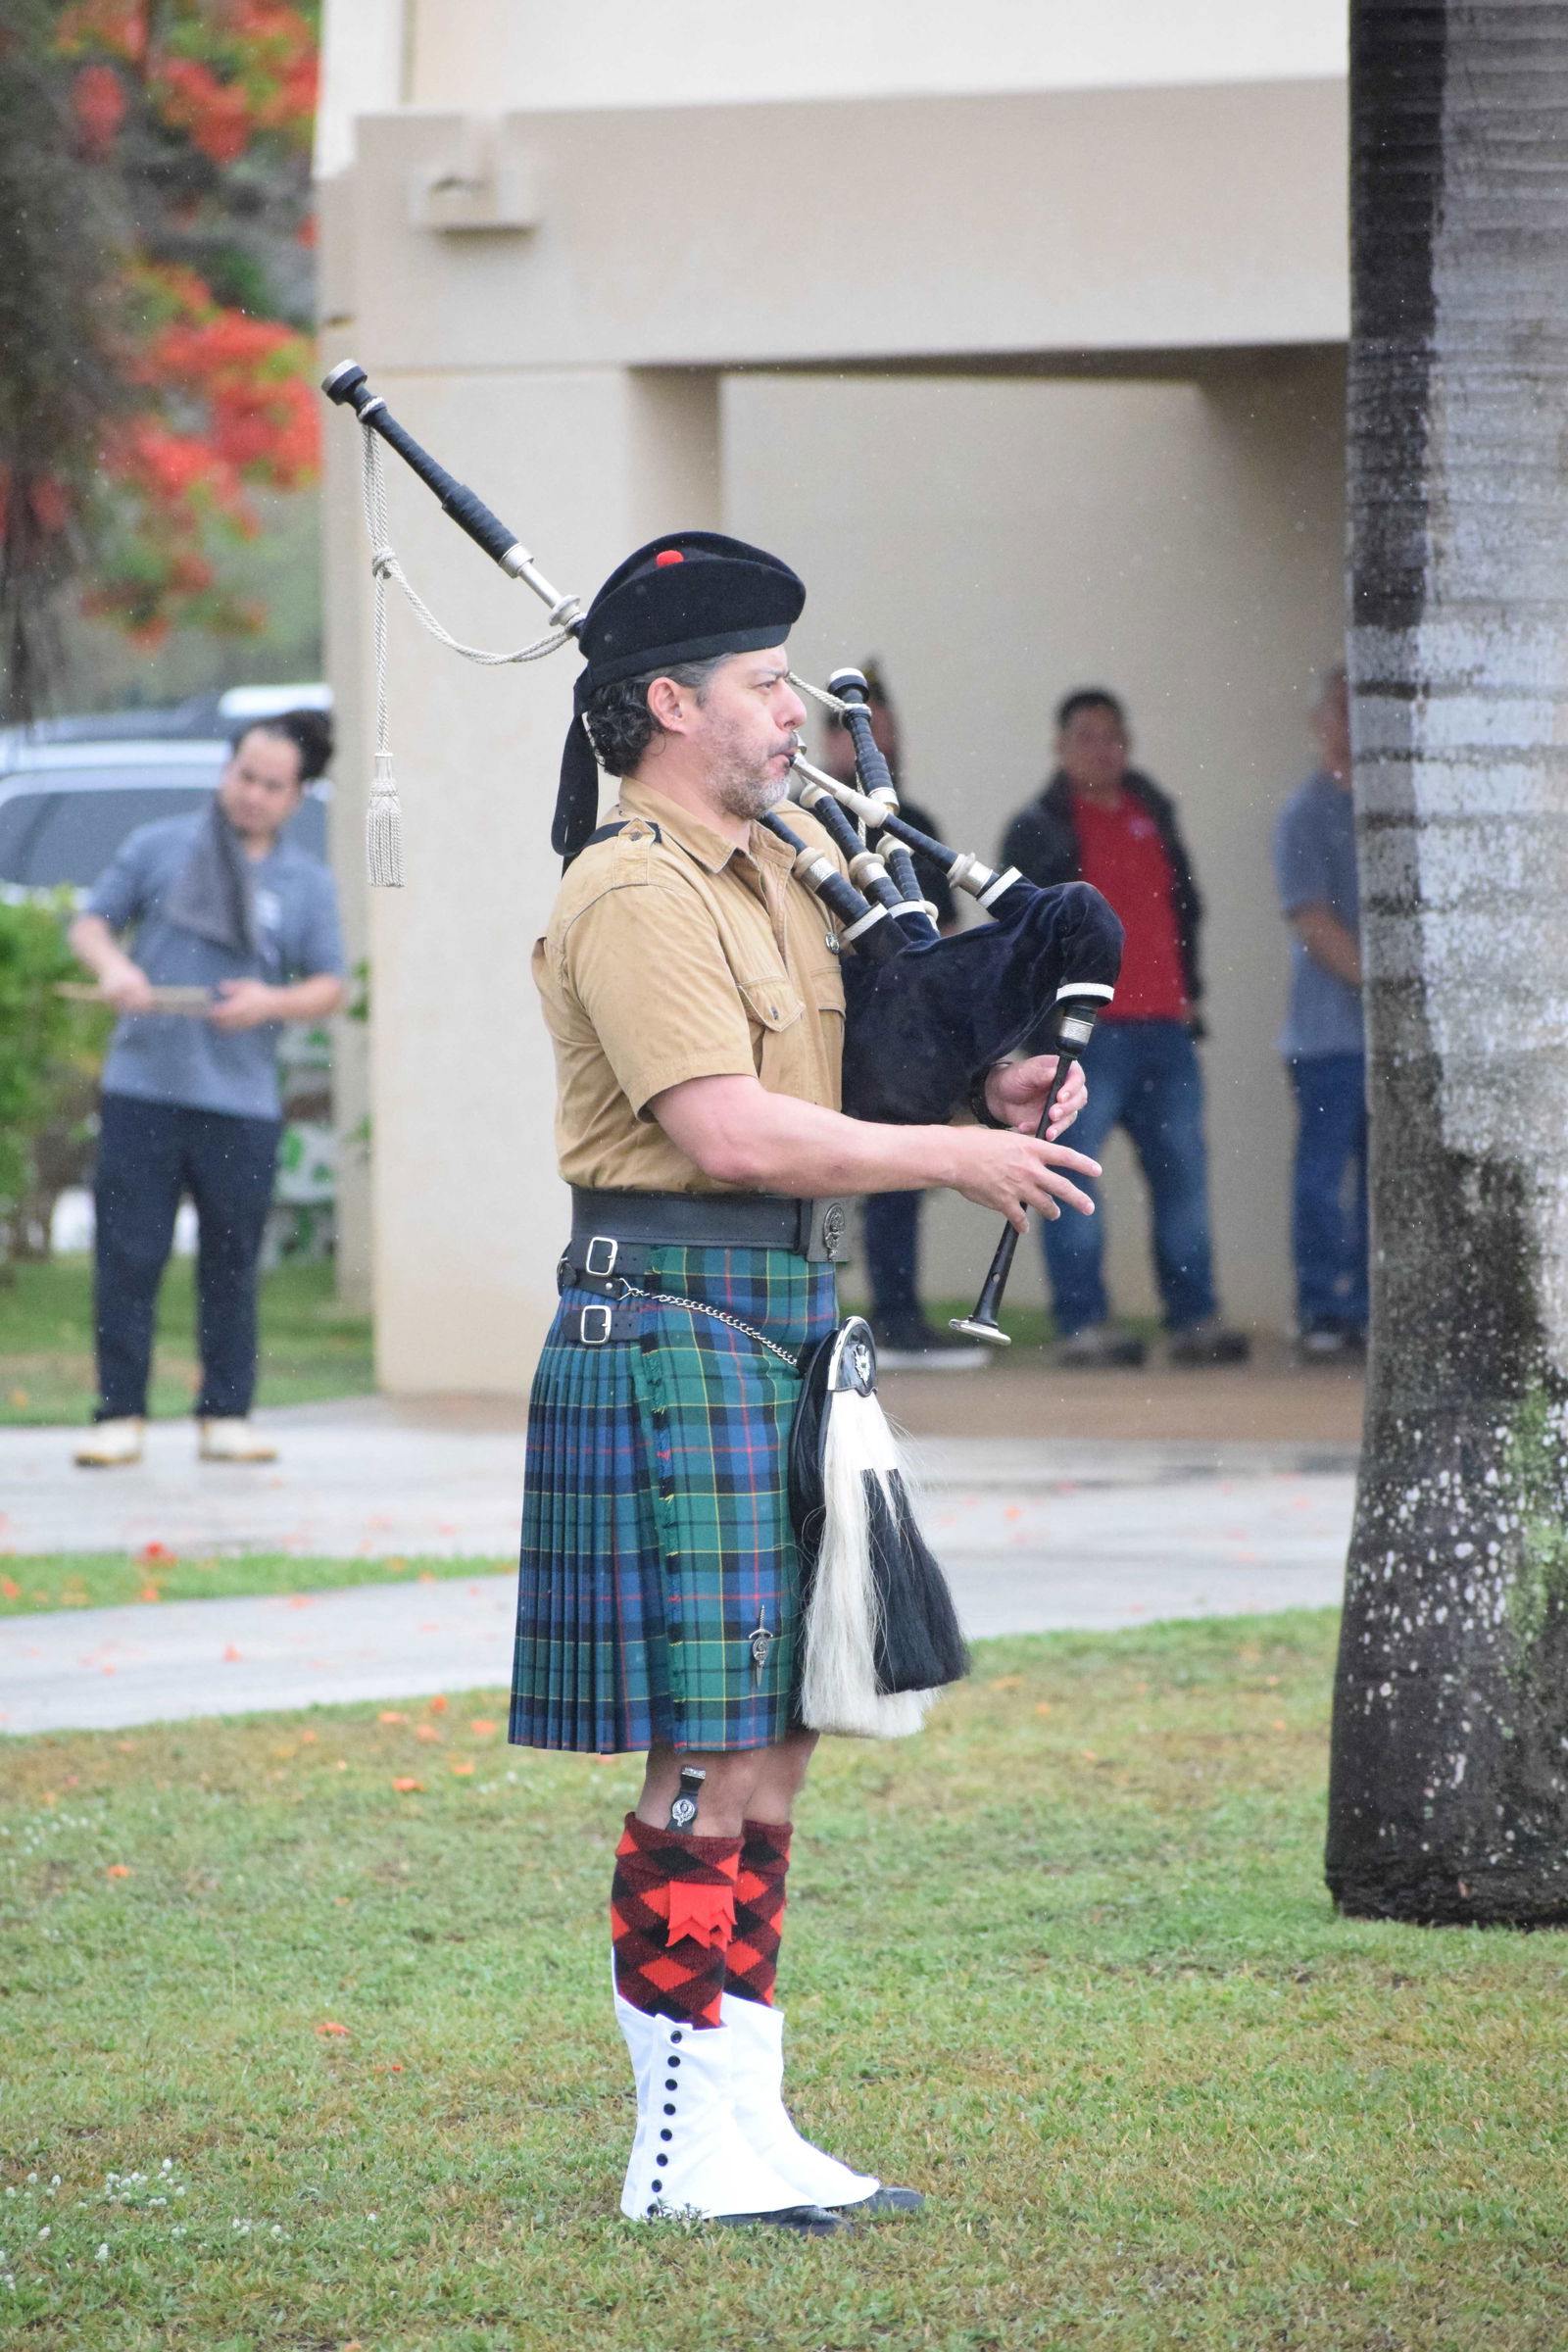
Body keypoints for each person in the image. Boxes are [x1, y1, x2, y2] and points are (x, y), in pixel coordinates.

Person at [514, 530, 1099, 2230]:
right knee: (705, 1752)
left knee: (774, 1745)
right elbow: (725, 1127)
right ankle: (677, 2141)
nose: (793, 709)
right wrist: (950, 1162)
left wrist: (991, 1081)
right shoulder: (628, 888)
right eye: (765, 682)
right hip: (673, 1320)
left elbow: (866, 1062)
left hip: (774, 1325)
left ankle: (746, 2113)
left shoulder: (771, 875)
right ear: (674, 701)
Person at [67, 710, 346, 1468]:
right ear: (227, 770)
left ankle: (226, 1414)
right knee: (128, 1256)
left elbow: (327, 985)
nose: (252, 794)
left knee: (231, 1262)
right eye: (243, 775)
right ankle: (118, 1414)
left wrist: (269, 1002)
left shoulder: (305, 882)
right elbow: (91, 924)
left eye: (272, 785)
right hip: (143, 1090)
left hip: (242, 1102)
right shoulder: (158, 847)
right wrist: (115, 971)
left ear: (298, 795)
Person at [1001, 687, 1249, 1368]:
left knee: (1184, 1180)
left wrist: (1189, 991)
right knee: (1075, 1179)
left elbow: (1185, 907)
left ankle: (1194, 1319)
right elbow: (1018, 939)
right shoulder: (1039, 826)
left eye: (1113, 736)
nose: (1102, 749)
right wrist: (1041, 1023)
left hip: (1166, 1029)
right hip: (1085, 1036)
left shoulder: (1152, 811)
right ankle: (1084, 1325)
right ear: (1060, 746)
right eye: (1087, 736)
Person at [818, 662, 984, 1371]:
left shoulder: (914, 824)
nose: (870, 747)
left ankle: (898, 1315)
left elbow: (939, 934)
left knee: (897, 1179)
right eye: (855, 732)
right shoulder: (801, 814)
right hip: (829, 1016)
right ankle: (821, 1319)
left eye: (881, 733)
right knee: (820, 1174)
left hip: (897, 1025)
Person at [1273, 667, 1366, 1358]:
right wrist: (1388, 987)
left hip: (1382, 1042)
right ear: (1320, 723)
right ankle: (1320, 1307)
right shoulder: (1305, 813)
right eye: (1341, 708)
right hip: (1328, 1038)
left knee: (1378, 1182)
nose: (1352, 721)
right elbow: (1315, 923)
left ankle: (1367, 1306)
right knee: (1322, 1176)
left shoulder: (1391, 809)